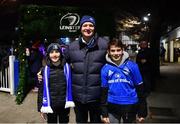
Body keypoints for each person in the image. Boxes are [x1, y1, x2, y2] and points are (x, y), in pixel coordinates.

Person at [64, 15, 108, 123]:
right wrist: (43, 70)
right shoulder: (72, 46)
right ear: (81, 28)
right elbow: (60, 62)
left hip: (97, 96)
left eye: (91, 25)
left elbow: (115, 62)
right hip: (78, 96)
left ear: (94, 27)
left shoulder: (104, 45)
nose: (88, 28)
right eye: (85, 25)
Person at [100, 39, 146, 123]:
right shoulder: (105, 69)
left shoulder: (133, 66)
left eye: (118, 50)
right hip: (112, 106)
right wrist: (104, 113)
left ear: (122, 50)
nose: (116, 53)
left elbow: (140, 89)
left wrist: (142, 111)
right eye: (113, 51)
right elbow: (104, 92)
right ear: (108, 52)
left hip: (130, 105)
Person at [37, 43, 75, 123]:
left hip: (64, 106)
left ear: (61, 53)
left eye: (57, 52)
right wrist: (40, 107)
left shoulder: (68, 68)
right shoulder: (44, 70)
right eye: (52, 52)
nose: (54, 55)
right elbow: (41, 91)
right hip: (50, 106)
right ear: (48, 54)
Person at [136, 40, 153, 121]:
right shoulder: (140, 51)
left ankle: (143, 114)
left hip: (146, 71)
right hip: (140, 72)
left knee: (145, 89)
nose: (142, 45)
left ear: (146, 44)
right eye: (141, 43)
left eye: (144, 44)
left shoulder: (149, 51)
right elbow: (138, 60)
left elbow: (151, 60)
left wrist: (146, 61)